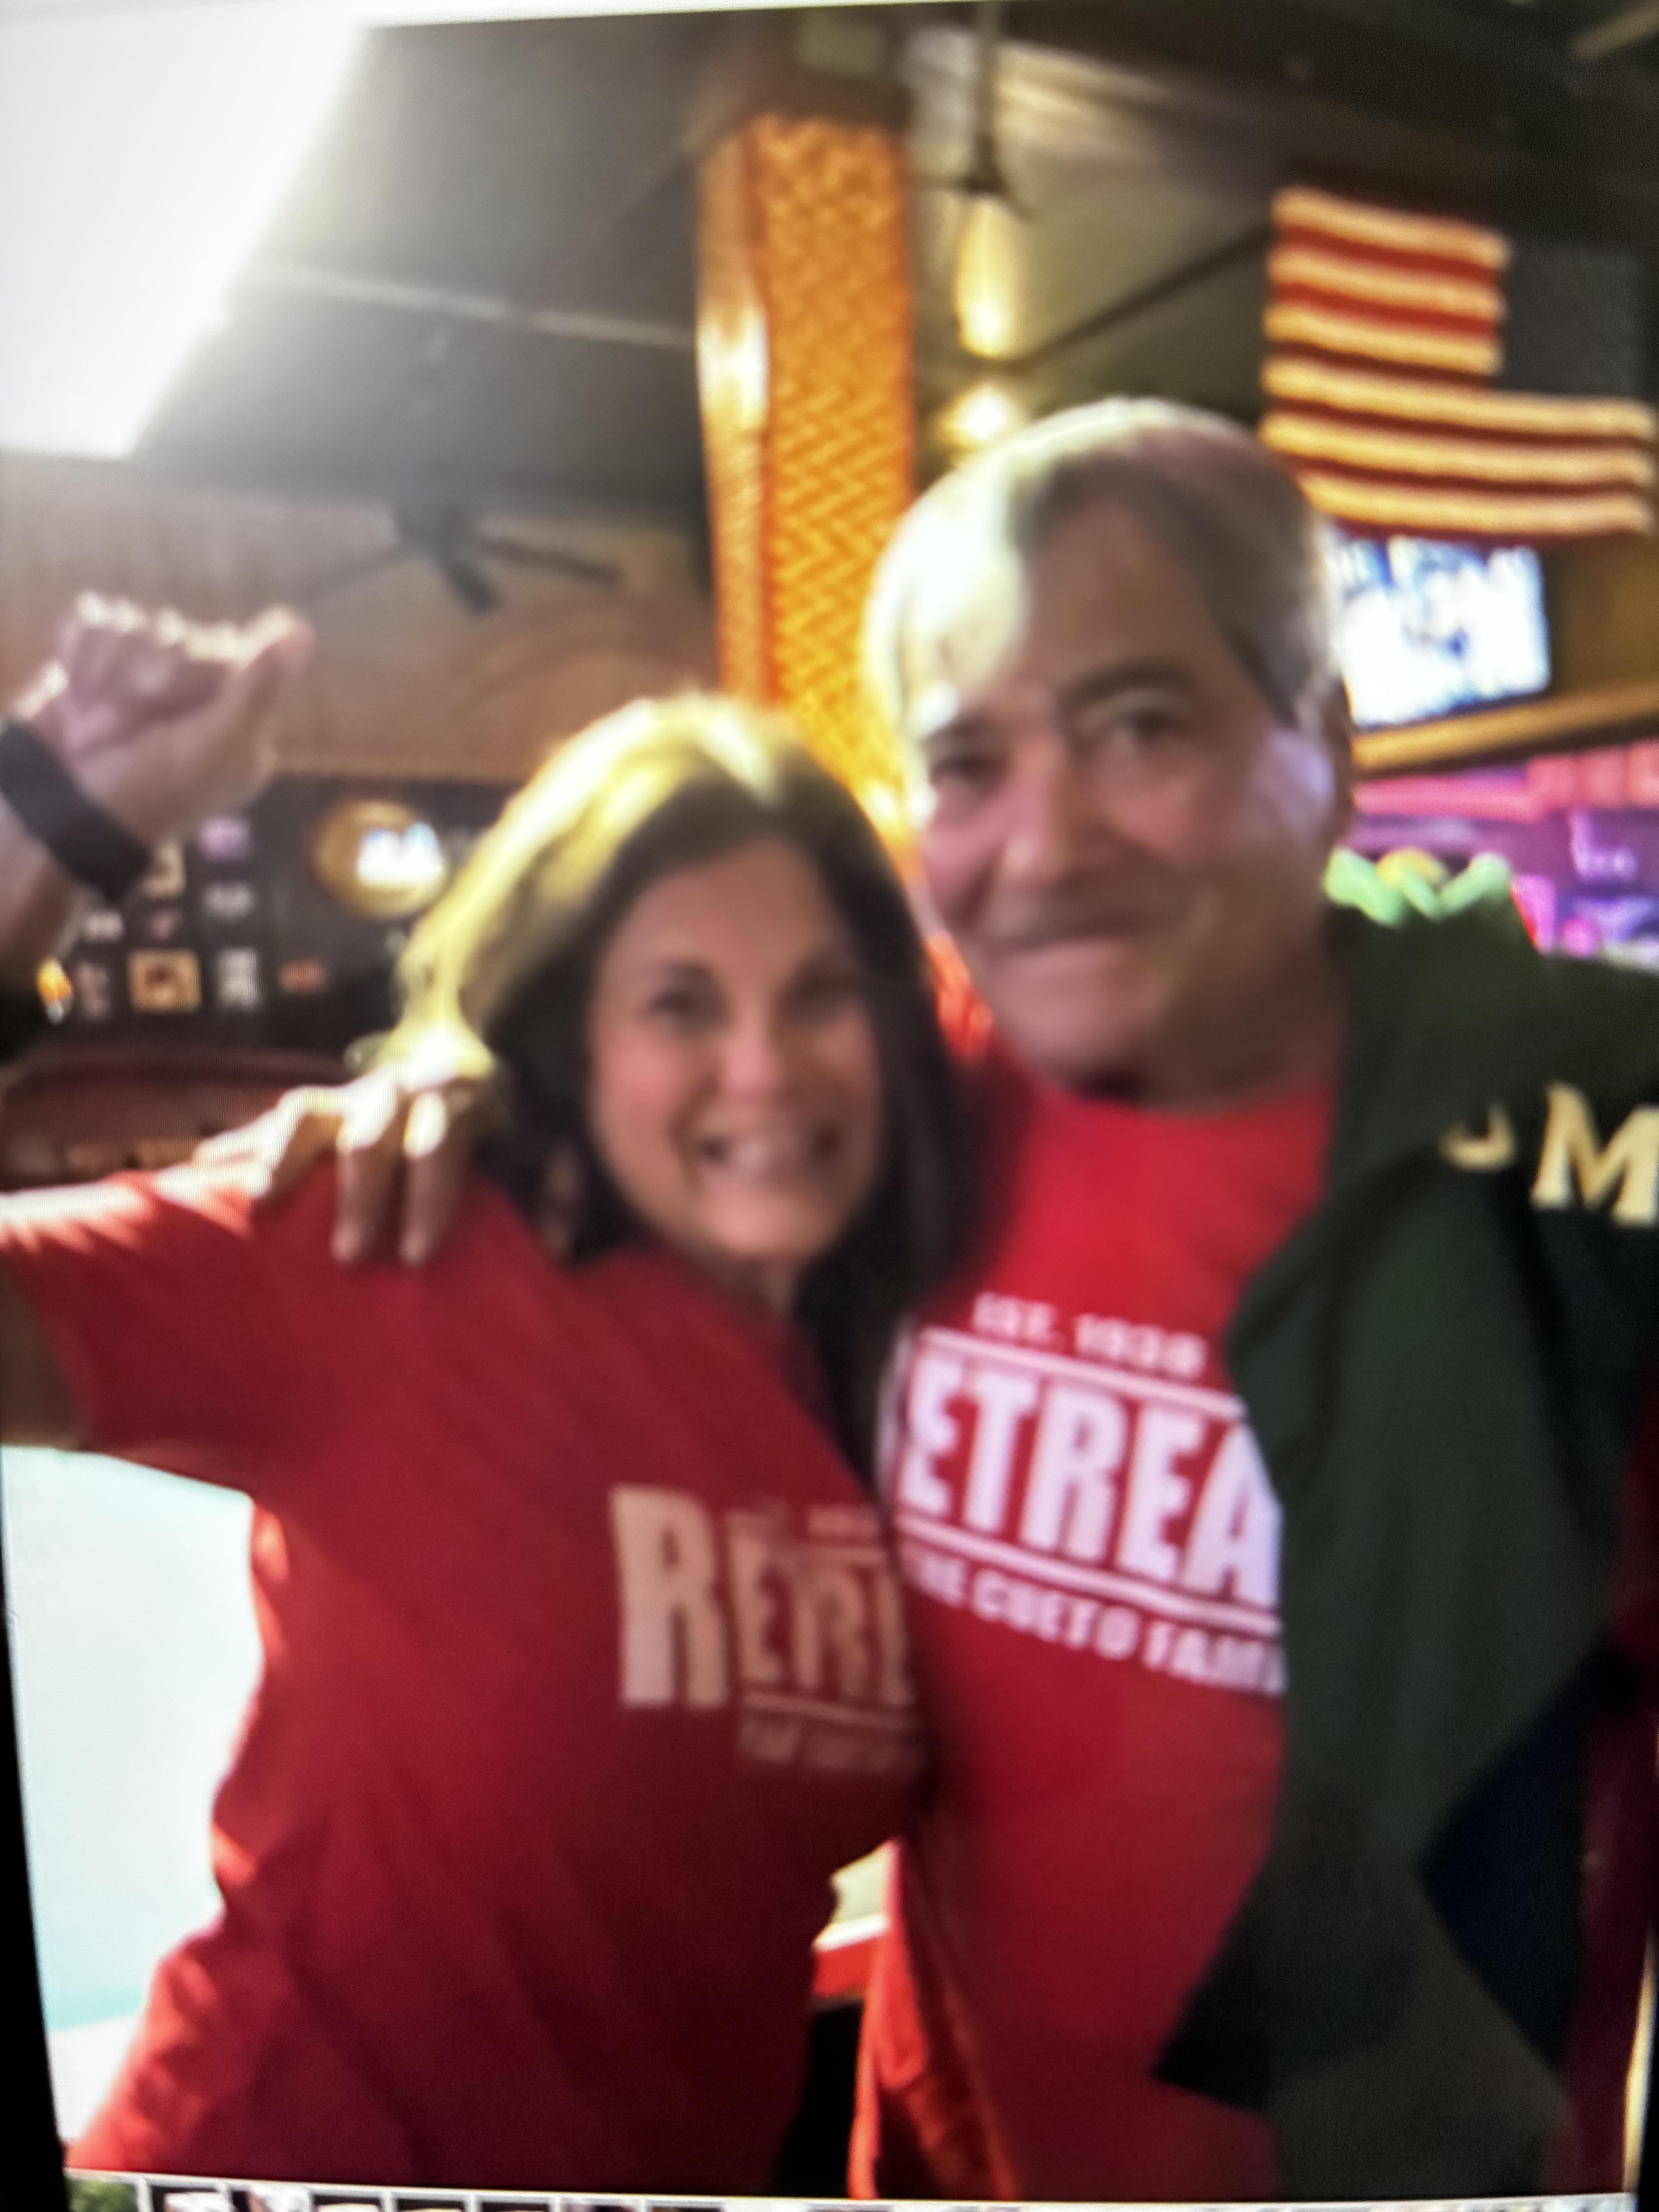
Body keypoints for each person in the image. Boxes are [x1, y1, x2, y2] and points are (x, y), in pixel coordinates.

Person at [274, 400, 1659, 2203]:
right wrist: (473, 1076)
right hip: (939, 2167)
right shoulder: (913, 1101)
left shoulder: (1584, 1167)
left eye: (1140, 726)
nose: (1046, 840)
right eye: (968, 765)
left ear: (1328, 740)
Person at [0, 627, 971, 2192]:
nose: (761, 1071)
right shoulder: (384, 1243)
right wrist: (46, 824)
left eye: (818, 998)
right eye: (677, 1006)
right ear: (570, 1043)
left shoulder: (914, 1359)